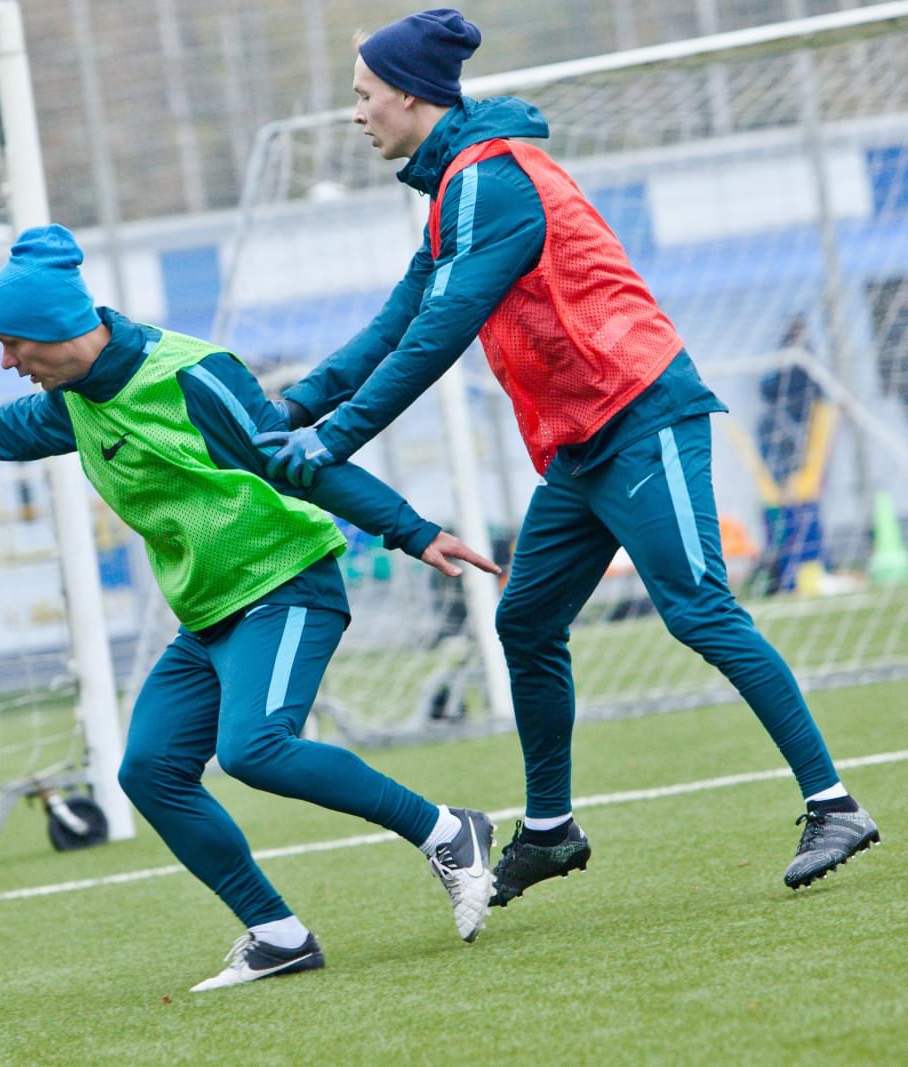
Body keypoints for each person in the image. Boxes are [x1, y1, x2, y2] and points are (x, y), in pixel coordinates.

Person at [255, 9, 878, 903]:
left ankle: (834, 803)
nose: (355, 113)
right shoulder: (456, 187)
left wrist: (335, 437)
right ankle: (550, 830)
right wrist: (295, 408)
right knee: (526, 621)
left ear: (411, 95)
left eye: (363, 95)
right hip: (585, 444)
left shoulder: (491, 179)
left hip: (643, 415)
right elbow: (397, 318)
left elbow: (439, 330)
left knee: (699, 609)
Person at [0, 223, 502, 992]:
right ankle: (278, 934)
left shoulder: (193, 375)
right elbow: (17, 427)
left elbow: (298, 464)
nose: (7, 362)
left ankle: (447, 829)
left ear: (57, 329)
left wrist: (413, 530)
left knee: (255, 747)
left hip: (287, 583)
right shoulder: (73, 400)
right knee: (149, 770)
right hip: (209, 614)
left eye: (11, 344)